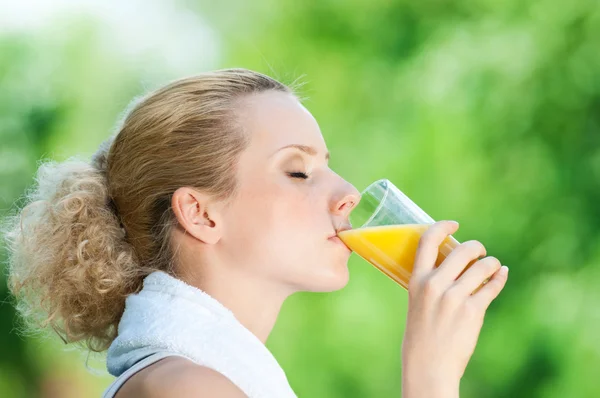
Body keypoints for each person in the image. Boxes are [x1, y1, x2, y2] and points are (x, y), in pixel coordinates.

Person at [2, 68, 509, 398]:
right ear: (200, 214)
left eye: (328, 166)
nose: (349, 193)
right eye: (297, 171)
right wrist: (430, 378)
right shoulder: (187, 388)